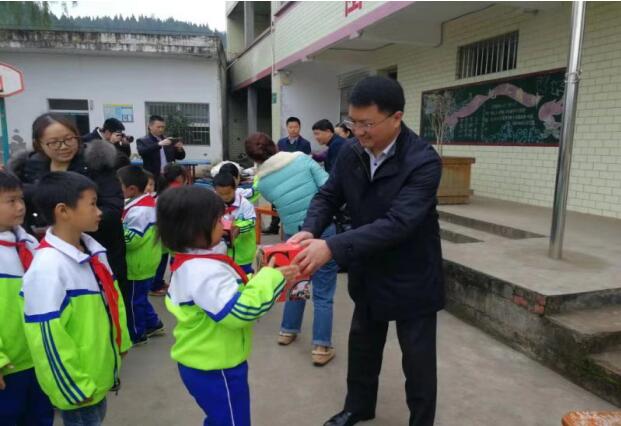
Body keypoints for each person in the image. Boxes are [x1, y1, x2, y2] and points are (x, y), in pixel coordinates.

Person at [289, 76, 444, 426]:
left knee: (417, 360)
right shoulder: (352, 152)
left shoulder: (423, 161)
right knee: (362, 348)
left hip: (412, 275)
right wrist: (310, 229)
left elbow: (399, 223)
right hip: (369, 269)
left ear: (396, 117)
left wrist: (332, 246)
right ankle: (357, 407)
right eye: (353, 122)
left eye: (367, 124)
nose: (358, 131)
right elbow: (329, 195)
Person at [158, 186, 298, 426]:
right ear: (195, 230)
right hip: (215, 369)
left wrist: (258, 279)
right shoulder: (203, 271)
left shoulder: (193, 262)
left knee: (221, 419)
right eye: (217, 221)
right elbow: (239, 312)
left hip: (206, 362)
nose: (224, 224)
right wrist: (272, 278)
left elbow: (227, 295)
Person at [23, 171, 132, 426]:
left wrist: (121, 340)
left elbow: (112, 300)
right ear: (63, 211)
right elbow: (47, 338)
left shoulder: (93, 251)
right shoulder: (47, 268)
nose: (100, 212)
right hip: (79, 386)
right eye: (92, 204)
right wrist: (72, 387)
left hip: (97, 375)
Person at [10, 113, 130, 330]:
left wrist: (71, 226)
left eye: (69, 139)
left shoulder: (96, 164)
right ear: (39, 144)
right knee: (51, 310)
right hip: (43, 251)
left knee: (97, 316)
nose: (64, 146)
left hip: (92, 249)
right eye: (54, 142)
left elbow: (112, 209)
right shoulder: (28, 168)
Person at [245, 132, 339, 366]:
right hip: (323, 230)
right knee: (324, 291)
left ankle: (287, 330)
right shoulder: (301, 159)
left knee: (296, 282)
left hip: (293, 235)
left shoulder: (262, 182)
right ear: (274, 145)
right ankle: (321, 347)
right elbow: (329, 187)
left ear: (254, 158)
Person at [0, 171, 54, 425]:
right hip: (8, 364)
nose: (20, 206)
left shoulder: (29, 243)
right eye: (10, 201)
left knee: (40, 416)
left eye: (20, 199)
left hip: (37, 357)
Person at [117, 165, 165, 345]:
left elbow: (132, 240)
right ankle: (153, 324)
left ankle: (137, 334)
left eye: (118, 185)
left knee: (133, 301)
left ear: (131, 189)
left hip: (138, 263)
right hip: (143, 261)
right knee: (140, 297)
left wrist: (115, 233)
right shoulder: (140, 204)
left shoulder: (141, 211)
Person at [213, 172, 257, 273]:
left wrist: (239, 228)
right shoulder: (213, 204)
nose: (225, 197)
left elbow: (252, 222)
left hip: (243, 254)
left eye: (228, 193)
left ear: (235, 188)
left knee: (245, 277)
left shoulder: (245, 204)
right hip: (222, 253)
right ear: (215, 190)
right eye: (220, 194)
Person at [137, 115, 186, 180]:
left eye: (163, 127)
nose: (161, 129)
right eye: (158, 127)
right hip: (153, 176)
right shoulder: (142, 140)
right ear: (150, 126)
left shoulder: (168, 140)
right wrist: (158, 144)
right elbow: (142, 152)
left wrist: (179, 149)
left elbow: (180, 157)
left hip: (169, 175)